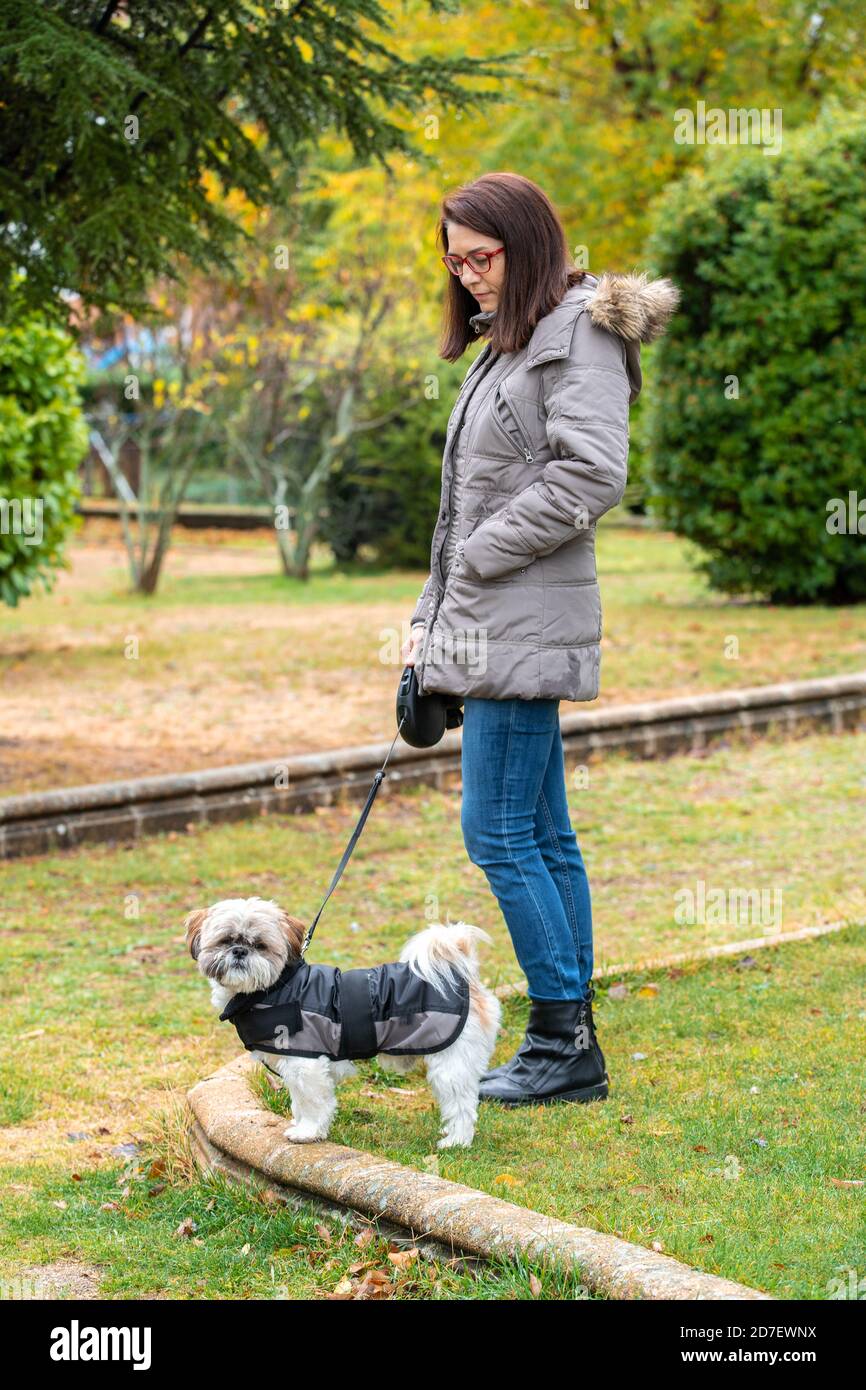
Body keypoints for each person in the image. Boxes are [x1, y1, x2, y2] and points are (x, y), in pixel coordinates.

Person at [401, 171, 679, 1105]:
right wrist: (425, 627)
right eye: (454, 261)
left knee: (498, 835)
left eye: (482, 257)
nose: (469, 276)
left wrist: (479, 558)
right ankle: (572, 1039)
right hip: (490, 625)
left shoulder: (580, 334)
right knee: (545, 834)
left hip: (523, 624)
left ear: (529, 243)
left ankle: (563, 1043)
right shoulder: (507, 342)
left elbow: (591, 474)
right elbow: (462, 506)